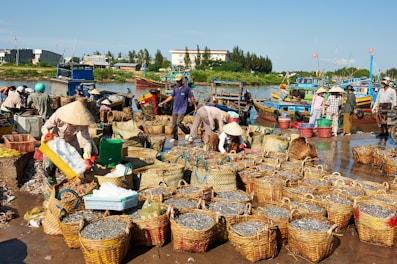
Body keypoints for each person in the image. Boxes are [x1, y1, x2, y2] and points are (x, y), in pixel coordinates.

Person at [41, 100, 95, 186]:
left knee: (74, 168)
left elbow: (86, 140)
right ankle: (50, 187)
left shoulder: (82, 123)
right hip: (53, 140)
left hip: (70, 141)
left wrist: (87, 156)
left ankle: (72, 185)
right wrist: (47, 134)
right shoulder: (57, 116)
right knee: (49, 170)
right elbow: (45, 127)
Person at [158, 73, 197, 142]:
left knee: (179, 122)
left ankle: (187, 131)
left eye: (179, 81)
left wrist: (195, 106)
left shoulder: (186, 88)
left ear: (182, 80)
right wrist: (163, 102)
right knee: (174, 124)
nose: (177, 82)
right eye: (176, 81)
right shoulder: (175, 88)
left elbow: (191, 97)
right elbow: (171, 97)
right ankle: (175, 137)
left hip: (182, 108)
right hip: (175, 108)